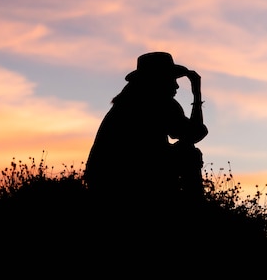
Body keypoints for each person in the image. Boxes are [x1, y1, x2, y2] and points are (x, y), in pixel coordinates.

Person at [84, 51, 208, 200]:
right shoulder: (159, 103)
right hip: (126, 179)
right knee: (189, 154)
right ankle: (197, 210)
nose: (176, 86)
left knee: (183, 151)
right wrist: (197, 94)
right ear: (158, 79)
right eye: (171, 79)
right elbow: (195, 133)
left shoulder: (127, 101)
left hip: (104, 180)